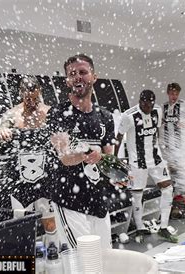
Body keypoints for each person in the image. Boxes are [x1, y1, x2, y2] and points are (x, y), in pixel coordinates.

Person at [47, 54, 118, 249]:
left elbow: (109, 158)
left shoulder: (106, 117)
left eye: (83, 72)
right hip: (70, 201)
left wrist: (118, 171)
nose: (78, 77)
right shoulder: (58, 113)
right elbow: (65, 158)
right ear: (68, 80)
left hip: (98, 199)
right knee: (83, 261)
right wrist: (86, 155)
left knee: (105, 258)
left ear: (94, 77)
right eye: (72, 74)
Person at [0, 76, 55, 241]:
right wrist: (0, 133)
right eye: (28, 99)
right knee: (21, 227)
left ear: (40, 92)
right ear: (21, 94)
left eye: (35, 98)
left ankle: (55, 259)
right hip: (20, 180)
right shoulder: (12, 115)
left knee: (51, 225)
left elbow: (63, 138)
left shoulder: (49, 112)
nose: (32, 103)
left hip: (45, 178)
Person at [115, 89, 178, 243]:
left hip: (156, 159)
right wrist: (114, 160)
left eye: (150, 103)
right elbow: (119, 136)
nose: (148, 107)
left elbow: (157, 131)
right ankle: (140, 228)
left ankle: (163, 227)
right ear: (140, 101)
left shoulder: (157, 111)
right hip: (138, 162)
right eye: (145, 103)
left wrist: (164, 152)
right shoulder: (128, 116)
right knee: (137, 195)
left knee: (168, 189)